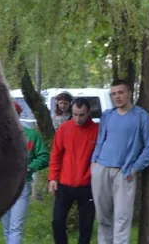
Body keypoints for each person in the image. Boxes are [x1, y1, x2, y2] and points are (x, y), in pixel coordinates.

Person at [91, 79, 149, 244]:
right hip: (101, 169)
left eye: (120, 92)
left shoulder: (141, 116)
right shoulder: (108, 115)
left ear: (129, 93)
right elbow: (100, 140)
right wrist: (94, 162)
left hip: (124, 172)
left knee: (122, 218)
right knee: (103, 218)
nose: (117, 97)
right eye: (113, 94)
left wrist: (134, 168)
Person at [49, 97, 99, 244]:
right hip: (65, 183)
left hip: (88, 184)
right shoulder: (64, 128)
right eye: (75, 114)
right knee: (57, 221)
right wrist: (53, 177)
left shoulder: (97, 130)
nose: (77, 118)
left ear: (89, 112)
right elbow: (56, 154)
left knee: (86, 225)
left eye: (81, 115)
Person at [1, 101, 49, 244]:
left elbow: (44, 156)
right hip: (2, 187)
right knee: (7, 227)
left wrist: (30, 167)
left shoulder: (31, 136)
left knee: (15, 227)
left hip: (21, 184)